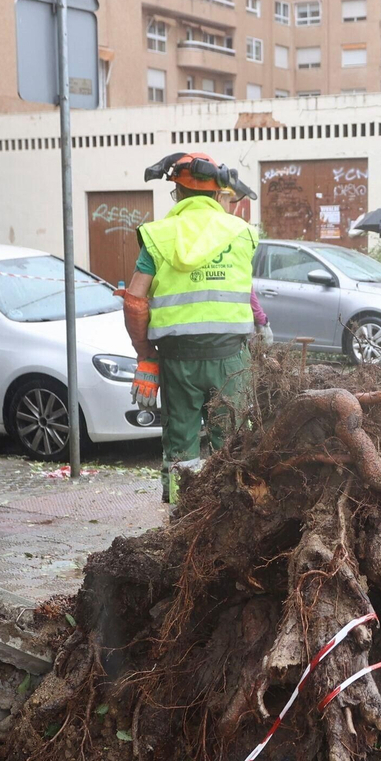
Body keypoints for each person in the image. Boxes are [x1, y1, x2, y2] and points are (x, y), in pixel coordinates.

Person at [123, 152, 259, 503]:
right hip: (231, 358)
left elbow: (135, 301)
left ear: (178, 194)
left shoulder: (158, 236)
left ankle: (180, 523)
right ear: (217, 195)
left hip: (177, 360)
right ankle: (232, 515)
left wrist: (145, 357)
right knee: (232, 447)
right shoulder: (242, 233)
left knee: (181, 449)